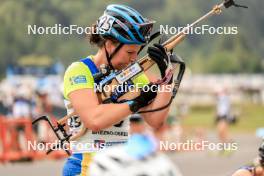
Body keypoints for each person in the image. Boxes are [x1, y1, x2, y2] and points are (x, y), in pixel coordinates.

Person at [62, 4, 175, 176]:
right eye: (130, 52)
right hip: (86, 166)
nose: (134, 59)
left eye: (137, 52)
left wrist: (167, 79)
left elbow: (155, 120)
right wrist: (135, 103)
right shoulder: (79, 70)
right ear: (109, 45)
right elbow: (94, 120)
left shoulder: (134, 73)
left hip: (121, 166)